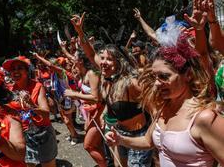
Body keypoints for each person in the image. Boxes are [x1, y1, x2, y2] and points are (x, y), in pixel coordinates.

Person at [105, 32, 224, 166]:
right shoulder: (163, 108)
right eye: (155, 77)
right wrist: (120, 140)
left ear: (188, 75)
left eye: (164, 76)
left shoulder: (204, 117)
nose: (156, 83)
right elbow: (148, 141)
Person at [71, 13, 153, 167]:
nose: (103, 62)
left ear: (119, 63)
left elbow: (155, 109)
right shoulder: (109, 78)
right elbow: (89, 53)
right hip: (119, 134)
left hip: (139, 136)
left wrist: (155, 137)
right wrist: (80, 31)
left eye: (109, 59)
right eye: (102, 58)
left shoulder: (131, 83)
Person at [2, 56, 57, 167]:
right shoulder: (9, 90)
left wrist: (31, 104)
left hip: (42, 134)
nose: (15, 71)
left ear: (27, 71)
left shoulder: (37, 86)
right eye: (13, 69)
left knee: (48, 165)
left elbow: (46, 114)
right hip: (23, 136)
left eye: (19, 68)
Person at [64, 49, 106, 166]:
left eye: (75, 56)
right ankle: (105, 162)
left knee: (88, 145)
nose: (72, 57)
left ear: (81, 60)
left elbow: (96, 97)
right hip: (90, 113)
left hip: (100, 112)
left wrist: (74, 94)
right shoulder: (82, 73)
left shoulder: (92, 73)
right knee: (96, 144)